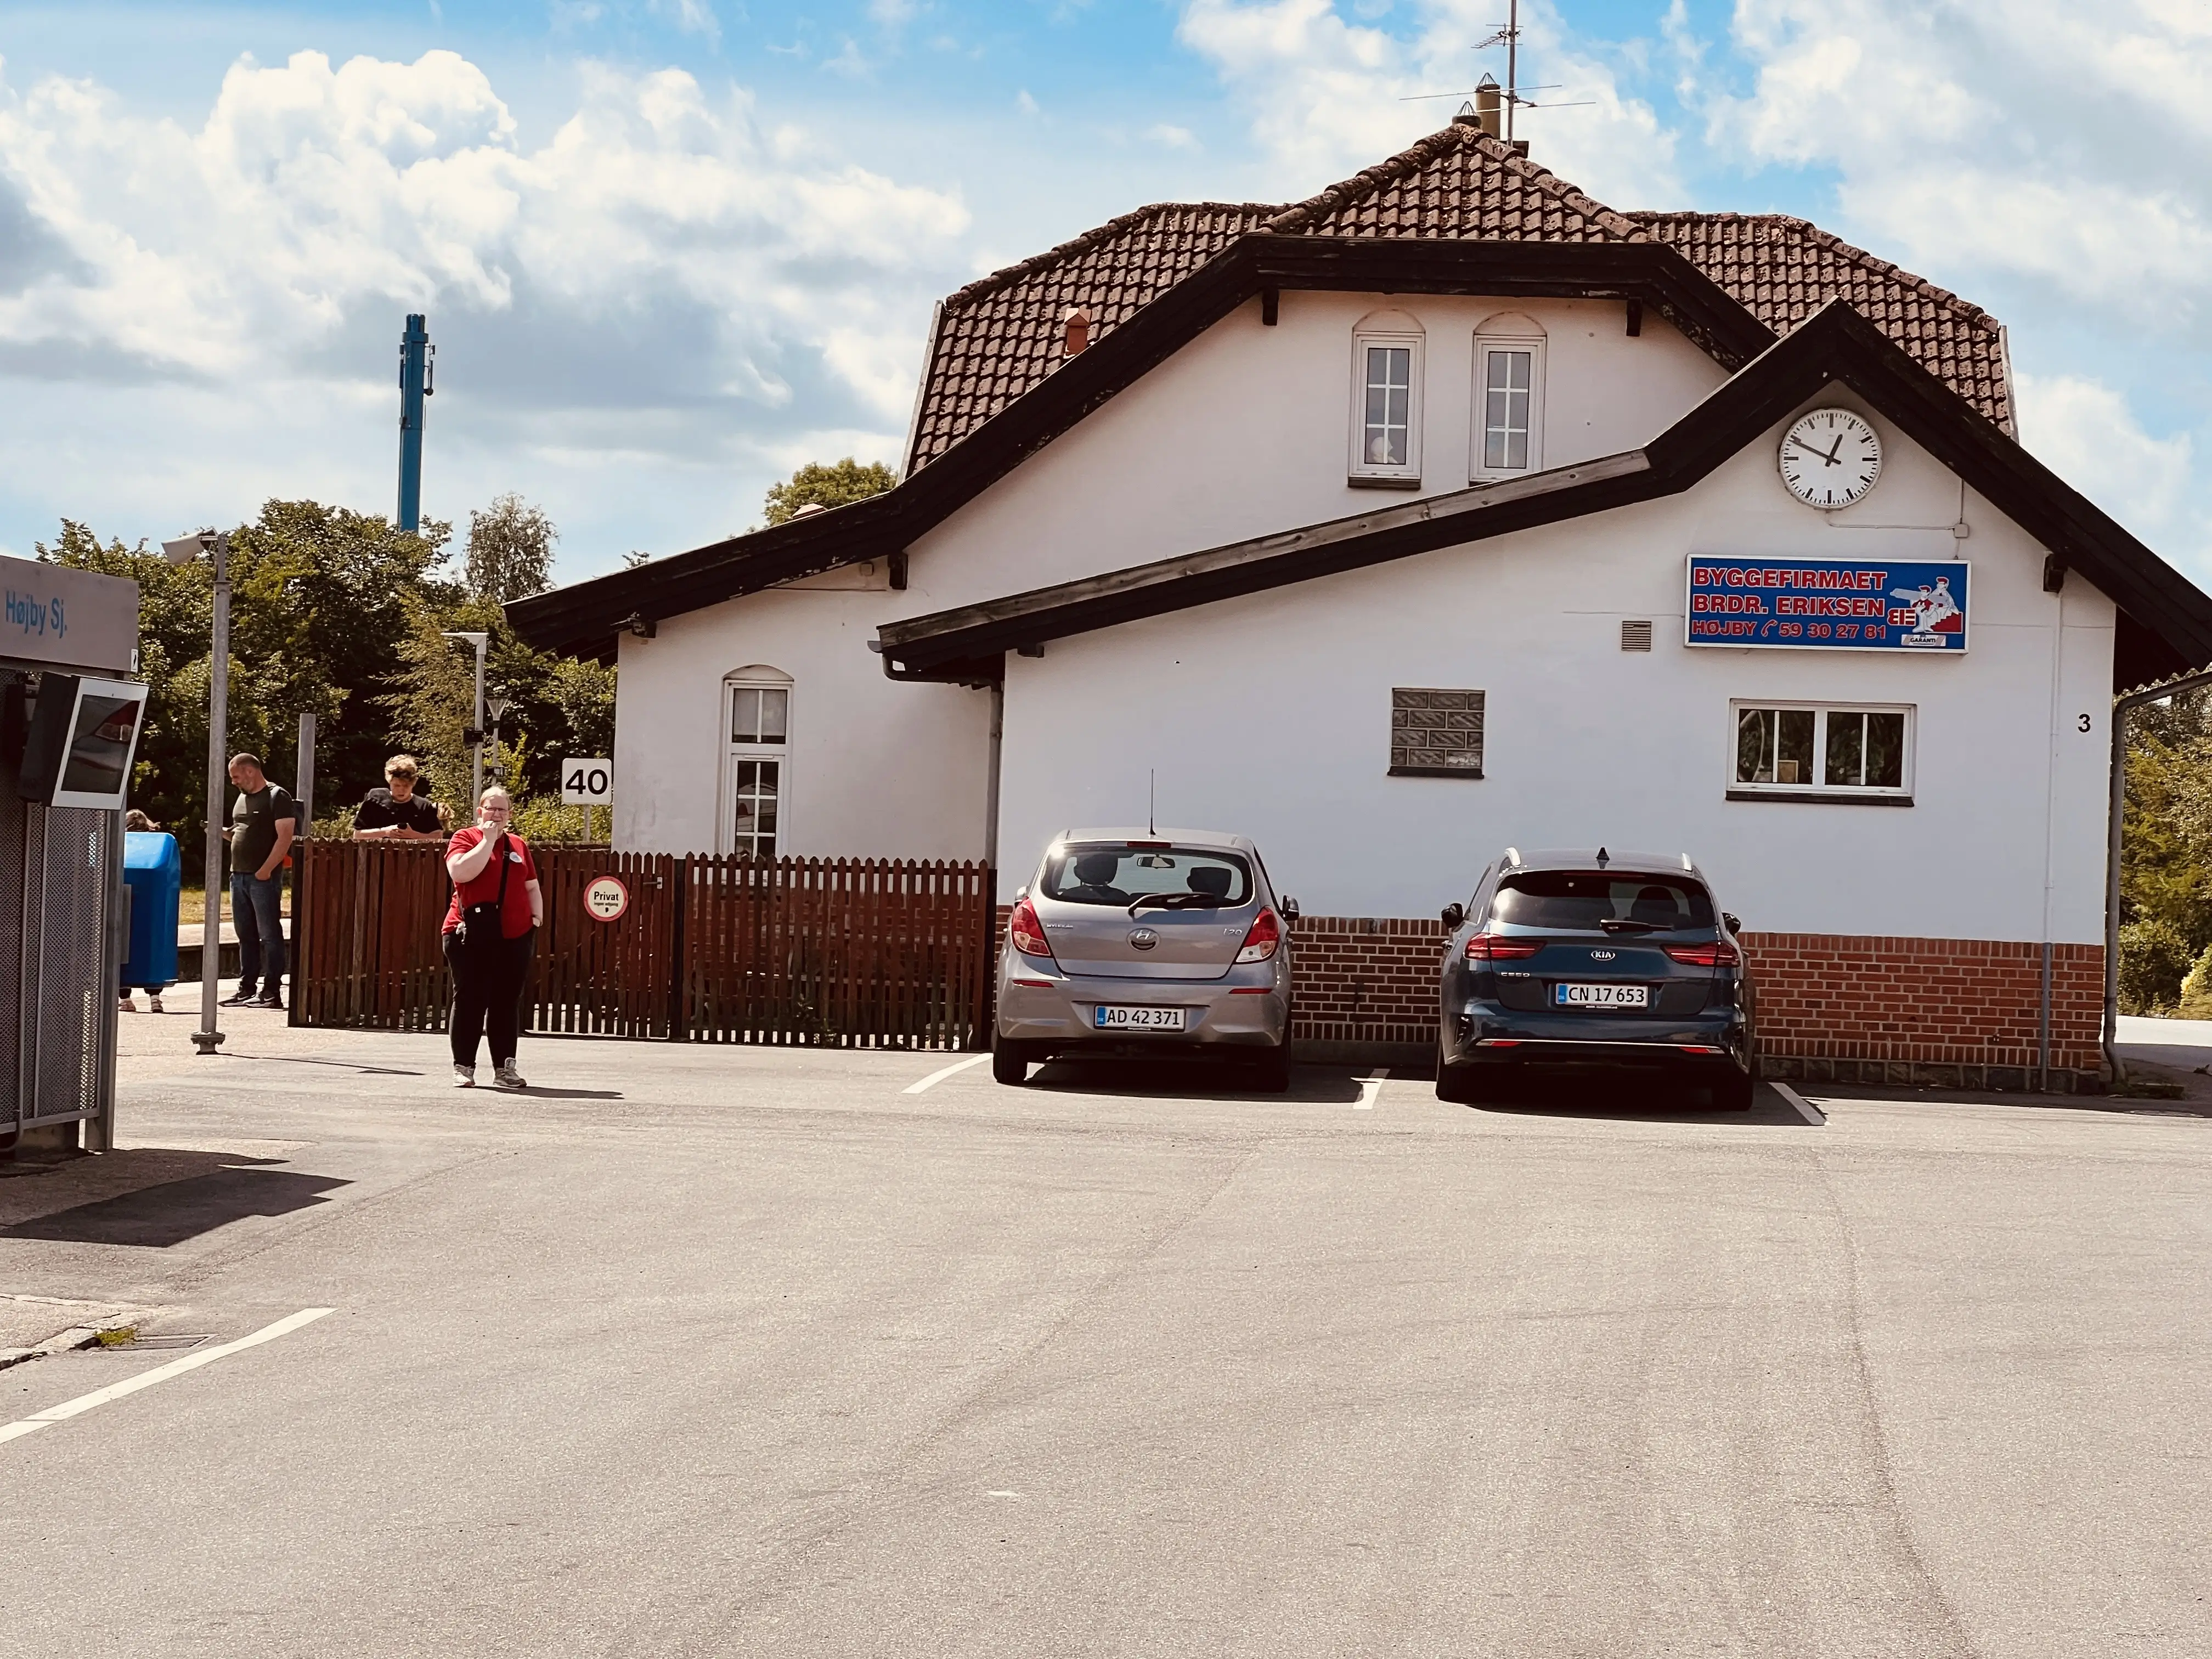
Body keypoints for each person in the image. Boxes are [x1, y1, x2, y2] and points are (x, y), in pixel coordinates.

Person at [442, 786, 543, 1089]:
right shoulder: (465, 838)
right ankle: (464, 1068)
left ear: (510, 814)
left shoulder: (519, 845)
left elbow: (531, 886)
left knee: (506, 1001)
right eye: (491, 808)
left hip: (514, 934)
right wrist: (487, 840)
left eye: (503, 809)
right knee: (470, 998)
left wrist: (536, 918)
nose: (497, 814)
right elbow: (461, 873)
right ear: (480, 811)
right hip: (468, 932)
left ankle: (505, 1069)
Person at [219, 753, 294, 1011]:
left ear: (250, 772)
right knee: (245, 935)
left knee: (269, 935)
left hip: (262, 878)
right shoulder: (241, 799)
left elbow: (285, 838)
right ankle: (246, 988)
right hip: (237, 875)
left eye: (236, 776)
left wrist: (266, 870)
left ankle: (272, 991)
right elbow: (243, 832)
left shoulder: (278, 796)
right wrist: (223, 833)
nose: (234, 782)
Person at [120, 810, 168, 1013]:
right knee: (152, 947)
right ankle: (155, 999)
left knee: (121, 950)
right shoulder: (157, 846)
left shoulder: (119, 845)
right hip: (152, 912)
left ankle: (125, 1000)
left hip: (122, 906)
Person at [352, 755, 443, 840]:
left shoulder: (424, 806)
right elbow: (358, 835)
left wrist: (413, 835)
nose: (401, 790)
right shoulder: (374, 799)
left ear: (413, 783)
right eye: (396, 785)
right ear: (389, 781)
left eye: (406, 786)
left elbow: (438, 836)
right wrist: (385, 832)